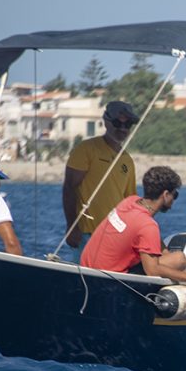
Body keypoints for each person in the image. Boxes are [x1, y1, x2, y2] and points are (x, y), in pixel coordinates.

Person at [81, 166, 186, 294]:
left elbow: (147, 235)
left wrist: (172, 266)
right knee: (179, 259)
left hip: (87, 269)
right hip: (110, 278)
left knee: (172, 259)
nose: (174, 199)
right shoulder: (148, 226)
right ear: (165, 195)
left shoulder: (129, 202)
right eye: (175, 195)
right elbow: (152, 271)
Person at [63, 100, 139, 261]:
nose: (123, 129)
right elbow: (69, 187)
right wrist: (71, 226)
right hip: (86, 233)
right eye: (118, 123)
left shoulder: (127, 160)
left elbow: (129, 202)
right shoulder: (87, 149)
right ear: (106, 121)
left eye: (128, 124)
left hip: (115, 236)